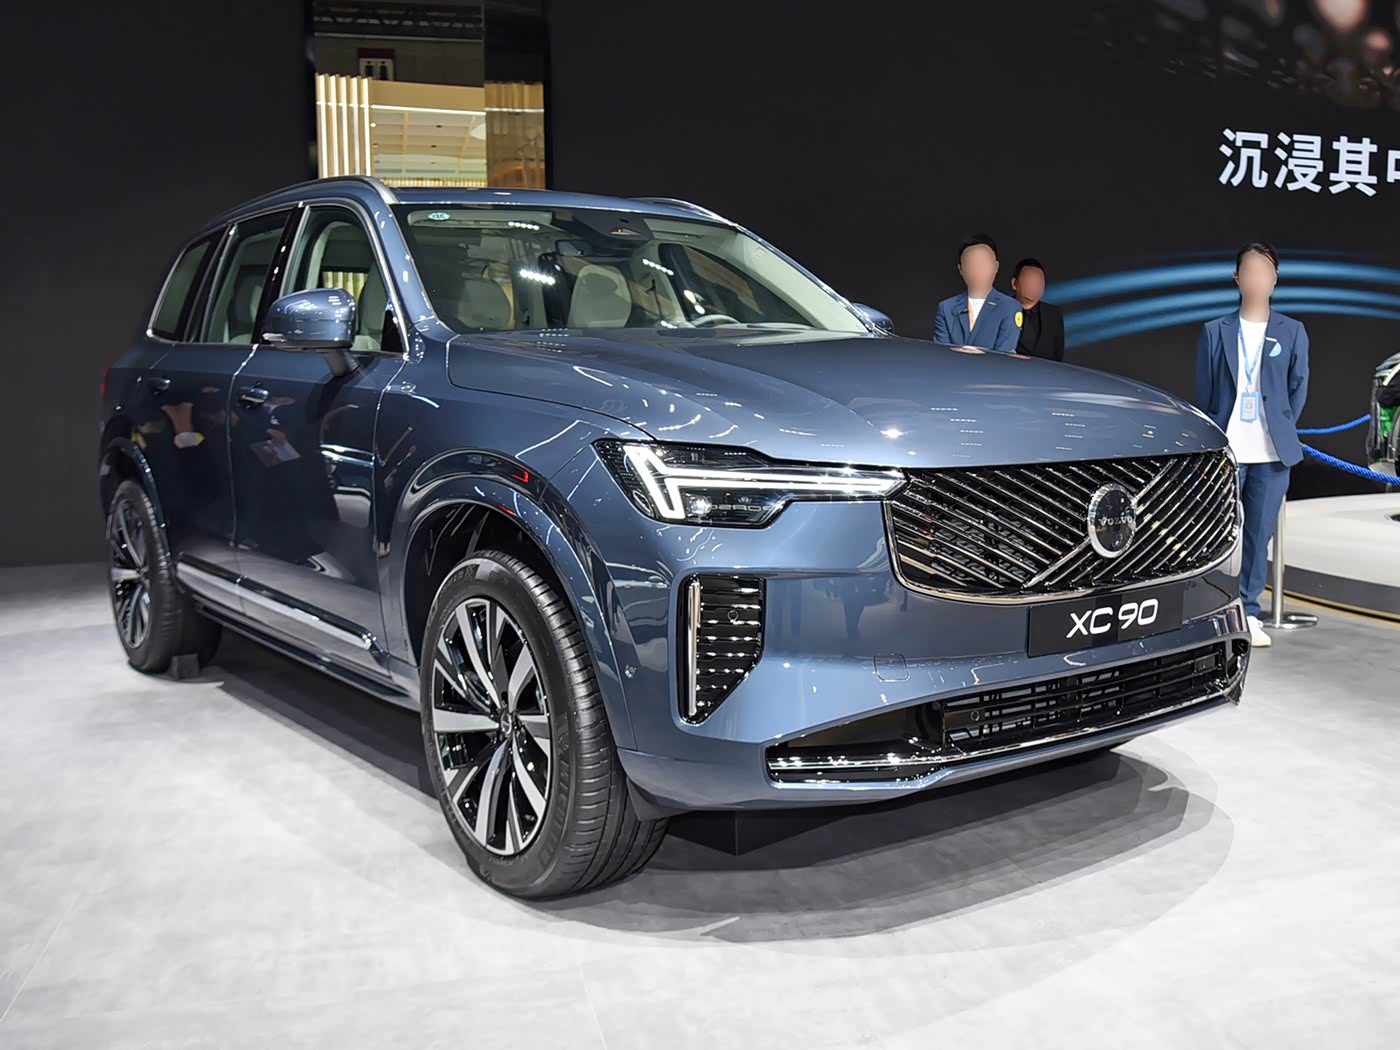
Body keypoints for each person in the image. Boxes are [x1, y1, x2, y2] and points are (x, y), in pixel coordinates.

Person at [1194, 241, 1310, 649]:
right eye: (1250, 271)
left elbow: (1297, 388)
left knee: (1258, 539)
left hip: (1271, 453)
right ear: (1237, 278)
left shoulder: (1292, 331)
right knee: (1218, 536)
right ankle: (1212, 610)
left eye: (1265, 271)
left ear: (1274, 280)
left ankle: (1249, 611)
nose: (1257, 279)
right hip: (1228, 453)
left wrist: (1279, 426)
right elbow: (1205, 394)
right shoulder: (1215, 331)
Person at [933, 235, 1022, 352]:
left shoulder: (1010, 307)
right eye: (972, 264)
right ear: (961, 269)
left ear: (996, 267)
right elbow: (941, 353)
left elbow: (1004, 354)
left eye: (983, 264)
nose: (978, 270)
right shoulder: (946, 308)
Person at [1010, 258, 1065, 361]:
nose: (1034, 285)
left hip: (1044, 371)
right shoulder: (1000, 310)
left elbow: (1058, 355)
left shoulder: (1054, 314)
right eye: (1029, 280)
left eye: (1038, 281)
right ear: (1014, 283)